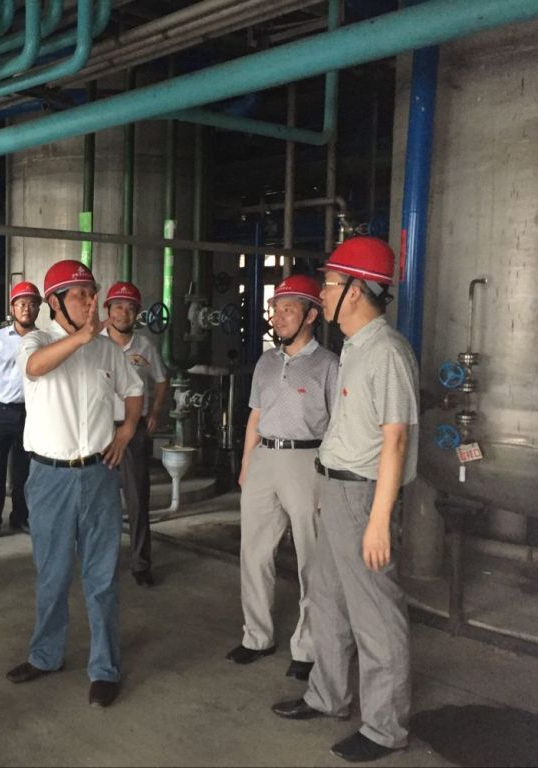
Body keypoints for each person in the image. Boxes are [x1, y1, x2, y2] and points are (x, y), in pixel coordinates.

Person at [271, 237, 419, 764]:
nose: (324, 293)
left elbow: (395, 440)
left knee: (375, 612)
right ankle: (328, 696)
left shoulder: (388, 352)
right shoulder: (355, 348)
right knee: (328, 600)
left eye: (331, 284)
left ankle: (385, 727)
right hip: (336, 489)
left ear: (356, 291)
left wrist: (378, 521)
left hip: (363, 497)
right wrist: (323, 488)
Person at [5, 260, 143, 709]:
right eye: (80, 294)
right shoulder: (36, 341)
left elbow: (134, 390)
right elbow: (35, 368)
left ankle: (104, 669)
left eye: (91, 293)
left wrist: (125, 431)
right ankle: (45, 656)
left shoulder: (107, 351)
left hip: (99, 474)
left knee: (101, 577)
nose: (90, 301)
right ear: (55, 302)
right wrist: (81, 337)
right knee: (53, 574)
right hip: (50, 478)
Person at [225, 274, 338, 680]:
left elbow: (337, 426)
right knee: (254, 553)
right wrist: (245, 465)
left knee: (311, 557)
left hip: (307, 461)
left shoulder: (328, 365)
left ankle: (307, 648)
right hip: (263, 459)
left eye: (289, 308)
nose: (279, 316)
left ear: (311, 315)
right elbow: (255, 415)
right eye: (276, 308)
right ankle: (257, 636)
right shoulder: (266, 361)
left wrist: (328, 479)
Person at [100, 281, 168, 587]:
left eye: (130, 308)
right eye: (118, 306)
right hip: (99, 430)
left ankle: (141, 563)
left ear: (137, 313)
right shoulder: (95, 344)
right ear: (108, 310)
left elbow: (162, 380)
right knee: (100, 501)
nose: (123, 313)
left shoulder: (145, 347)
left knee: (137, 498)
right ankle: (102, 561)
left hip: (134, 430)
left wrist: (154, 412)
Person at [0, 281, 41, 542]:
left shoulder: (43, 340)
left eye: (32, 304)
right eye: (21, 303)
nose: (27, 309)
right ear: (12, 308)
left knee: (24, 469)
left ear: (38, 309)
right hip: (1, 412)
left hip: (31, 413)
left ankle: (20, 517)